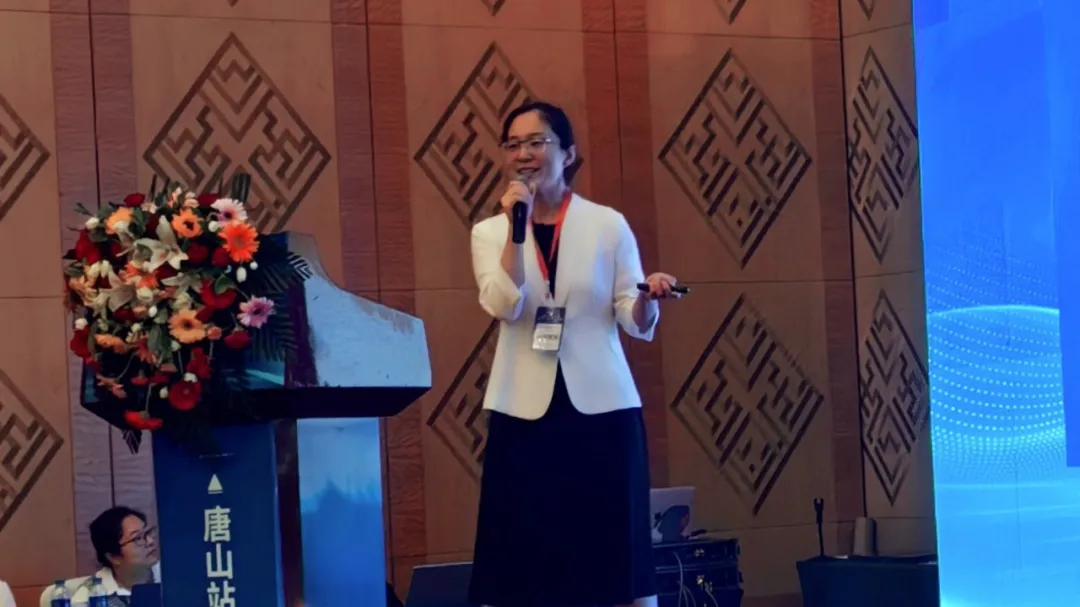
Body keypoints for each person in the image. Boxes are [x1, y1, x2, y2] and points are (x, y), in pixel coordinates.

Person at [468, 100, 680, 607]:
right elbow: (504, 305)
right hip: (523, 410)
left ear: (567, 154)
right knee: (526, 556)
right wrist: (516, 230)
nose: (524, 154)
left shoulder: (607, 225)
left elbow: (633, 318)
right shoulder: (490, 232)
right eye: (513, 144)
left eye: (536, 142)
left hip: (602, 409)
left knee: (611, 553)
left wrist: (649, 298)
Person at [40, 506, 159, 607]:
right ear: (113, 557)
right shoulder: (86, 599)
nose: (150, 541)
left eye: (148, 532)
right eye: (137, 538)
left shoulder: (169, 577)